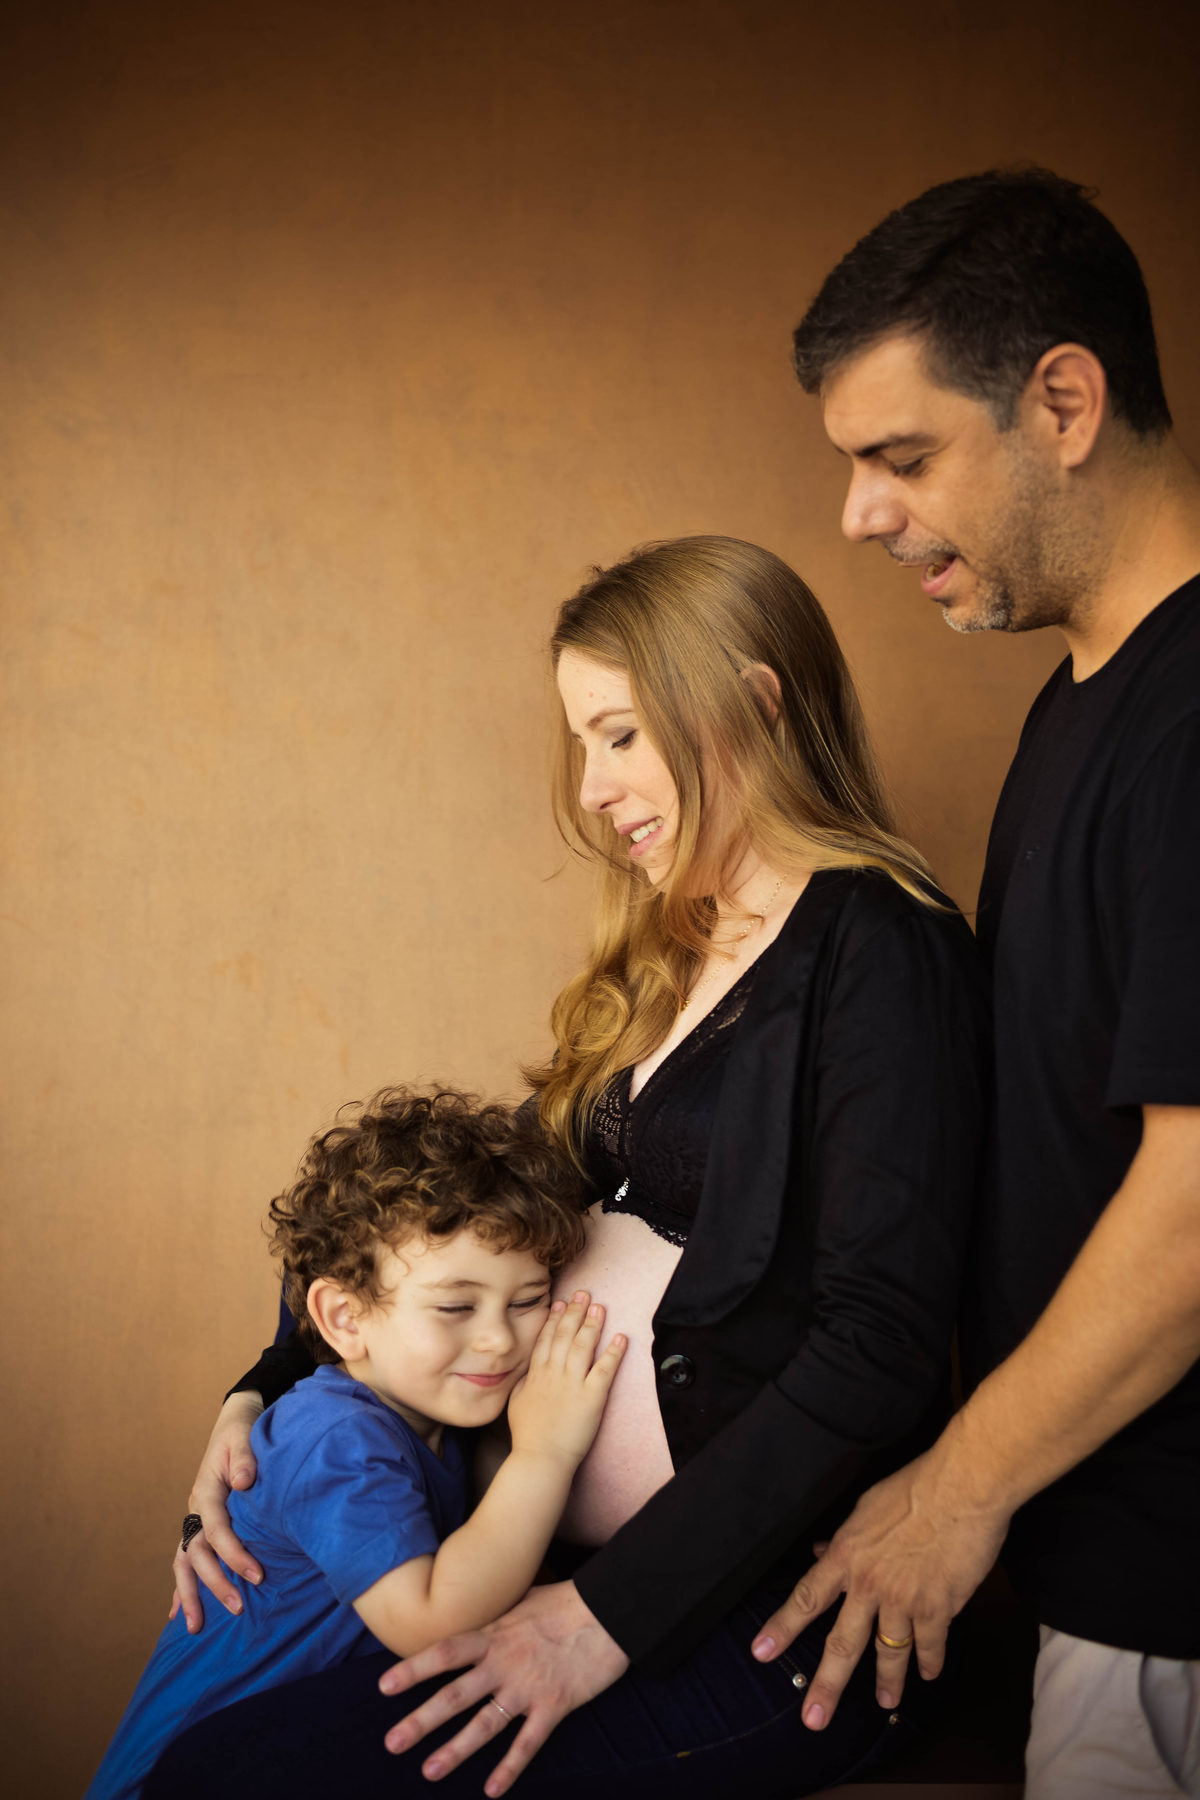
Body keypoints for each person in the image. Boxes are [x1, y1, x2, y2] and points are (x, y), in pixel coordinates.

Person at [144, 535, 989, 1800]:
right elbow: (443, 1202)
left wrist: (598, 1620)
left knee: (236, 1782)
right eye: (582, 743)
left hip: (764, 1610)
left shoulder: (883, 948)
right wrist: (263, 1388)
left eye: (621, 735)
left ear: (753, 705)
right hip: (559, 1568)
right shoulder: (670, 951)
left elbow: (880, 1346)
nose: (591, 789)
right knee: (208, 1756)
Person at [752, 169, 1200, 1798]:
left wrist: (952, 1495)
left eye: (901, 456)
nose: (861, 516)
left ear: (1063, 403)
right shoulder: (1085, 695)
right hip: (1105, 1574)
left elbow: (1199, 1202)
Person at [87, 1085, 624, 1799]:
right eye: (456, 1306)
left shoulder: (433, 1420)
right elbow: (430, 1620)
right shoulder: (334, 1437)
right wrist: (545, 1452)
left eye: (527, 1301)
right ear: (344, 1318)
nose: (499, 1338)